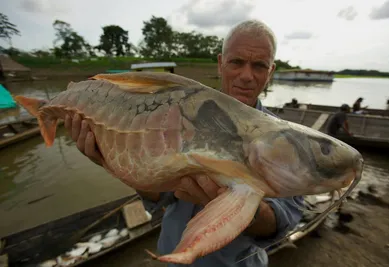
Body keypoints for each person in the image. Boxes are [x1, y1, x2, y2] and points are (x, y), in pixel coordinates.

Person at [63, 19, 303, 267]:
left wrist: (238, 208)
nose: (246, 76)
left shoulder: (286, 141)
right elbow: (161, 196)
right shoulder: (175, 115)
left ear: (271, 72)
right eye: (237, 62)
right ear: (221, 64)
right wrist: (109, 161)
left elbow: (283, 220)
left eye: (259, 66)